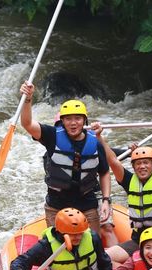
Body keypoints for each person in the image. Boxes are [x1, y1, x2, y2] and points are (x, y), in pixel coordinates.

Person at [19, 81, 118, 248]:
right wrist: (28, 100)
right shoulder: (52, 136)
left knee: (92, 247)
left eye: (78, 118)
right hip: (57, 205)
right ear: (62, 121)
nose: (73, 123)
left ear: (84, 120)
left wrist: (106, 200)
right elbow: (27, 124)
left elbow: (104, 172)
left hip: (86, 203)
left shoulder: (95, 143)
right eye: (69, 119)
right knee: (57, 248)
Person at [98, 119, 152, 264]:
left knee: (148, 259)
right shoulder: (130, 182)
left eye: (146, 162)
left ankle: (140, 266)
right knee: (103, 260)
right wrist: (99, 137)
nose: (142, 166)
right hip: (139, 238)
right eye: (138, 163)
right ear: (134, 167)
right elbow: (113, 162)